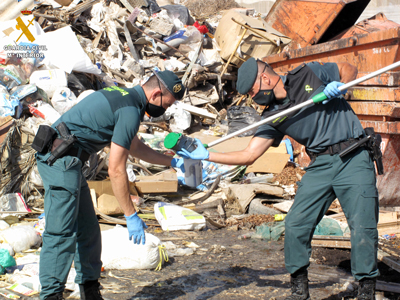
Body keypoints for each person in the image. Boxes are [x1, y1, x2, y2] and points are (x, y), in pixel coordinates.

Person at [178, 58, 379, 300]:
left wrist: (340, 85)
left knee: (362, 226)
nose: (253, 98)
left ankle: (366, 290)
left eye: (252, 91)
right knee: (295, 224)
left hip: (354, 156)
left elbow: (350, 68)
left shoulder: (309, 74)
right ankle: (299, 290)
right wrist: (207, 155)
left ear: (265, 78)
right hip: (321, 166)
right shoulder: (273, 115)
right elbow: (249, 154)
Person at [34, 70, 186, 300]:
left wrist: (171, 161)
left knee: (88, 231)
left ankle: (90, 291)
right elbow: (116, 169)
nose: (164, 110)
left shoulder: (123, 96)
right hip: (58, 161)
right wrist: (130, 214)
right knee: (62, 233)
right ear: (156, 94)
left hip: (70, 162)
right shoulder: (130, 110)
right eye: (167, 104)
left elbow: (135, 147)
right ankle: (51, 296)